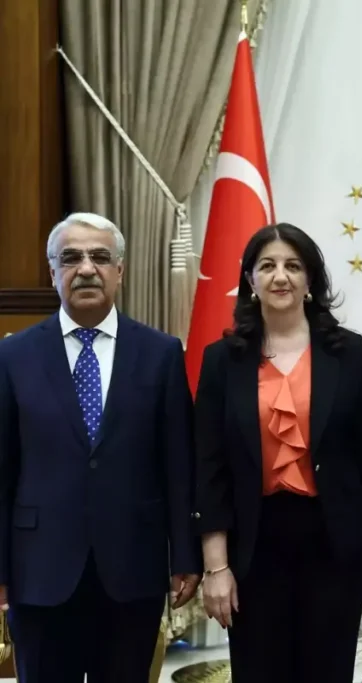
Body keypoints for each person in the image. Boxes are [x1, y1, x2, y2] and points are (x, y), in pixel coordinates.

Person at [0, 212, 200, 682]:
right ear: (53, 271)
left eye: (100, 257)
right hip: (39, 573)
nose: (86, 268)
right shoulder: (12, 356)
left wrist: (185, 557)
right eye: (71, 257)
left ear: (120, 270)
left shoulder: (161, 354)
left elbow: (178, 466)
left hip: (133, 568)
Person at [193, 223, 362, 683]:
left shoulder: (348, 352)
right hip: (253, 548)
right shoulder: (222, 360)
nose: (280, 276)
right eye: (267, 266)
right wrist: (215, 566)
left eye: (293, 266)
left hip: (336, 543)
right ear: (250, 280)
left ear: (310, 280)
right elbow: (209, 468)